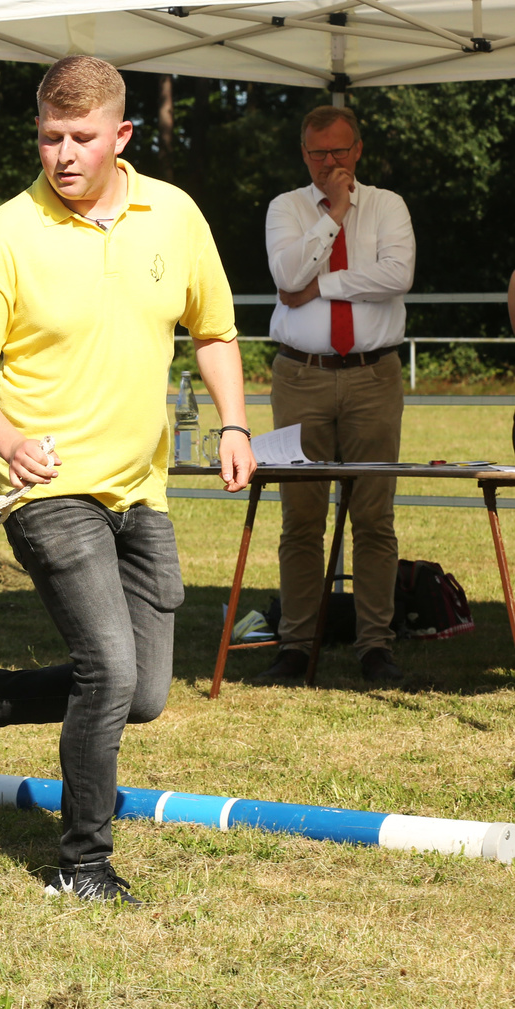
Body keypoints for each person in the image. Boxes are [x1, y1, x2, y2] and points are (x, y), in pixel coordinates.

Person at [0, 55, 255, 906]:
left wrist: (233, 423)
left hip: (139, 492)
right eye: (47, 137)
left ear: (121, 136)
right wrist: (8, 438)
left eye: (80, 138)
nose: (62, 154)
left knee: (142, 692)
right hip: (47, 493)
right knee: (107, 670)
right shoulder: (7, 232)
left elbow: (213, 332)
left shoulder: (174, 216)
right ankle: (81, 863)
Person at [259, 106, 415, 685]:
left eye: (341, 152)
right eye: (320, 154)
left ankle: (376, 645)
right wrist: (335, 216)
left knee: (374, 516)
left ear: (359, 151)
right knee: (300, 518)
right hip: (301, 376)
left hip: (375, 376)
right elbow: (286, 275)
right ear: (305, 155)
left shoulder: (390, 205)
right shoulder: (287, 208)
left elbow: (397, 276)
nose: (331, 163)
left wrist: (321, 285)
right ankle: (298, 644)